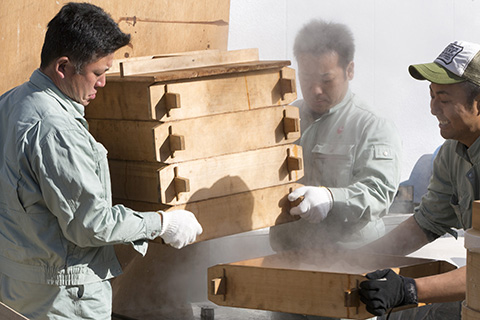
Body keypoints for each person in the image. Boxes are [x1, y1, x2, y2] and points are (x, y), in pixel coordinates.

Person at [0, 3, 202, 320]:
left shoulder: (10, 102)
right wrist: (161, 224)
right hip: (64, 300)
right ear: (63, 66)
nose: (103, 83)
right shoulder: (58, 130)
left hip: (16, 291)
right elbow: (90, 225)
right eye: (97, 73)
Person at [268, 19, 402, 320]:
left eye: (326, 80)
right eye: (306, 77)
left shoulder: (372, 126)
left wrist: (331, 198)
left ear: (349, 70)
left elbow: (378, 192)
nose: (315, 89)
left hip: (351, 274)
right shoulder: (284, 120)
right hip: (291, 266)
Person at [359, 40, 480, 319]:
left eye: (445, 99)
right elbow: (426, 223)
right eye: (432, 95)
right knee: (400, 315)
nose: (433, 109)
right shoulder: (453, 152)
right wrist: (358, 259)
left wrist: (408, 289)